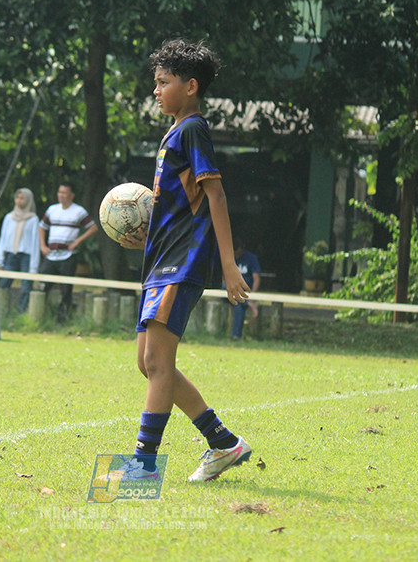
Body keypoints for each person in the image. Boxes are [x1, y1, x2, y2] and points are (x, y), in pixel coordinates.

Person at [128, 39, 252, 483]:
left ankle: (141, 468)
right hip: (163, 258)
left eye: (163, 83)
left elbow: (215, 194)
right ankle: (223, 443)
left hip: (181, 263)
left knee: (158, 363)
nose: (156, 91)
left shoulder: (192, 130)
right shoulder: (174, 131)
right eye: (155, 83)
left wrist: (228, 265)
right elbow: (186, 202)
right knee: (148, 362)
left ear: (191, 86)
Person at [38, 182, 98, 321]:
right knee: (42, 286)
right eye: (60, 192)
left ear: (71, 195)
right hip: (51, 255)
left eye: (64, 193)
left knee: (66, 289)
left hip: (68, 255)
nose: (61, 195)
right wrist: (42, 245)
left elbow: (93, 228)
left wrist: (77, 241)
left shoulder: (78, 211)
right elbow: (42, 227)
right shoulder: (52, 210)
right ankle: (40, 316)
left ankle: (62, 318)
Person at [0, 188, 40, 313]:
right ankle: (1, 312)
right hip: (11, 255)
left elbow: (35, 243)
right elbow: (3, 239)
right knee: (3, 284)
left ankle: (22, 312)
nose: (19, 201)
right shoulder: (9, 217)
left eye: (22, 198)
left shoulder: (33, 219)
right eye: (17, 198)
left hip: (26, 256)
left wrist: (34, 267)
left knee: (26, 286)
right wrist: (0, 260)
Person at [228, 238, 262, 340]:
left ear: (241, 249)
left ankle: (236, 336)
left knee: (238, 303)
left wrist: (252, 295)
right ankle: (248, 303)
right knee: (238, 298)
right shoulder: (229, 259)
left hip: (243, 292)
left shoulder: (251, 258)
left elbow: (256, 278)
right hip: (229, 290)